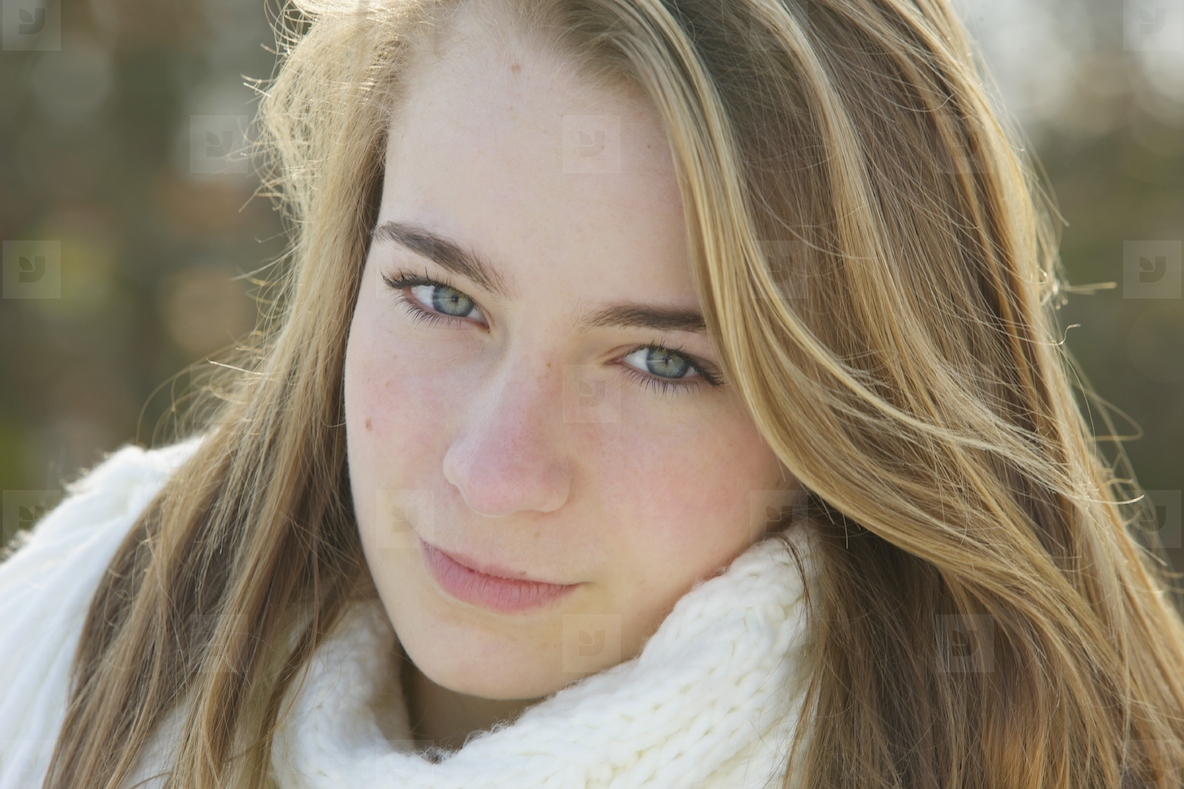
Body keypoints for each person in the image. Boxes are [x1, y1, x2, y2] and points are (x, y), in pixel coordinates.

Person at [2, 0, 1183, 786]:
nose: (493, 472)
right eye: (441, 298)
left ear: (858, 412)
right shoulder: (80, 639)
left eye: (662, 362)